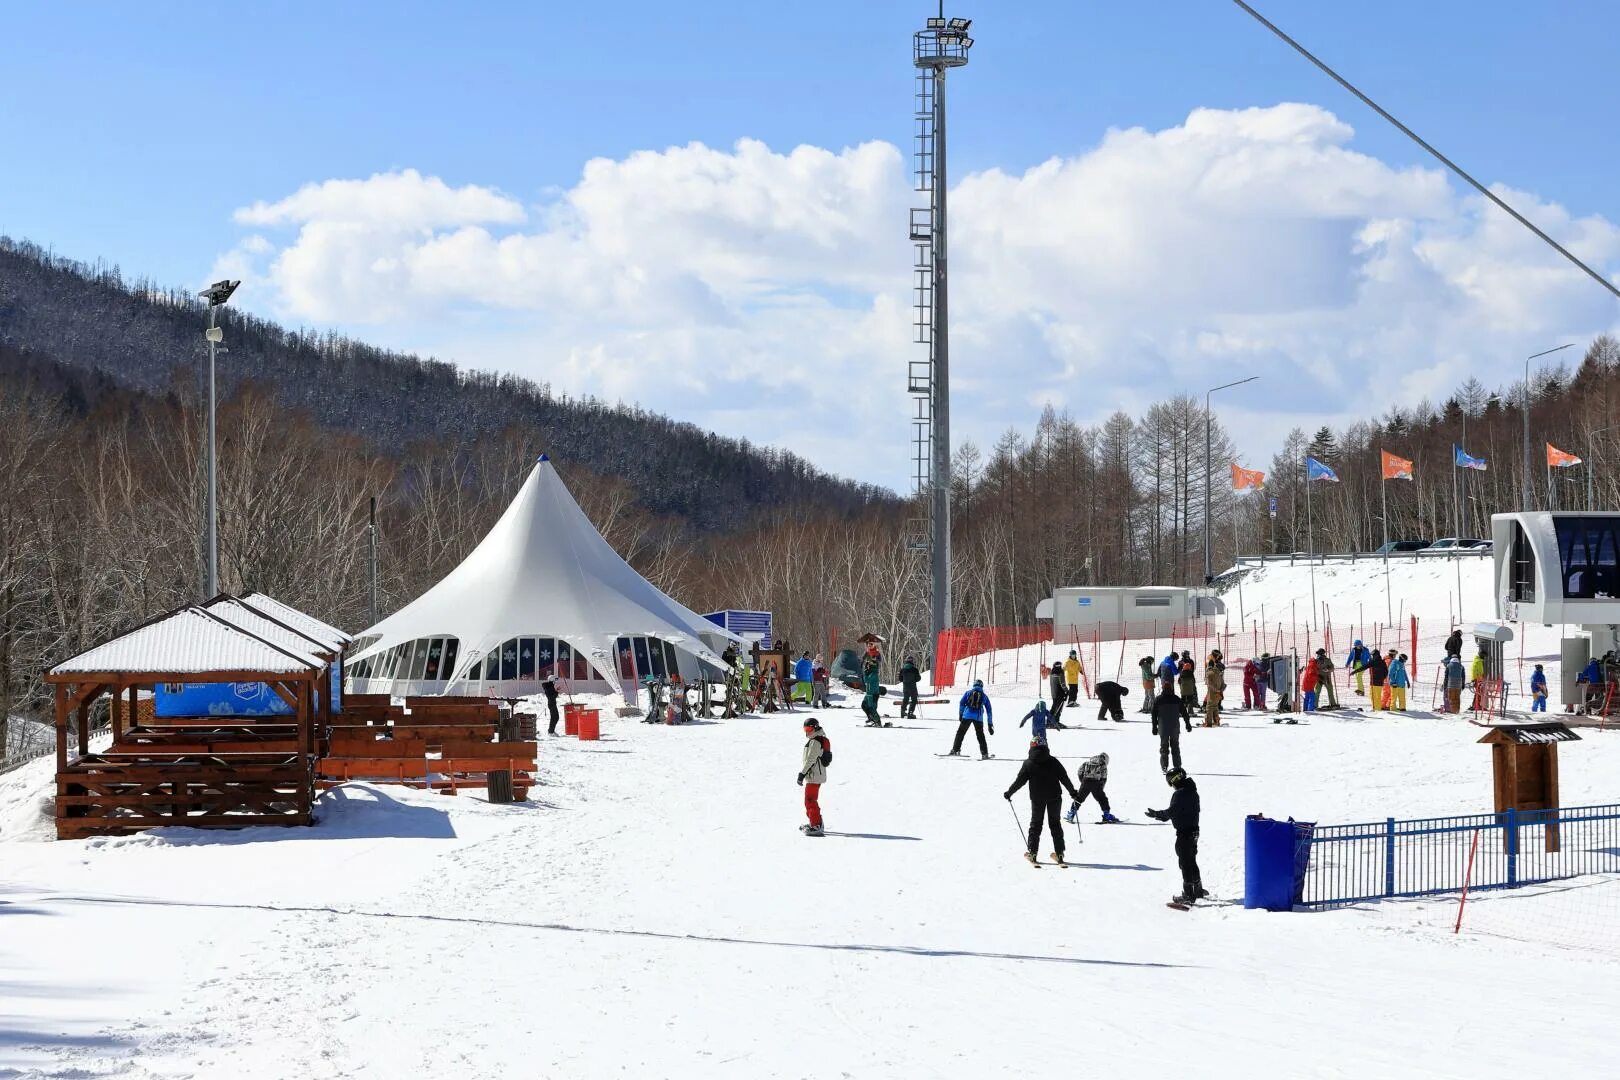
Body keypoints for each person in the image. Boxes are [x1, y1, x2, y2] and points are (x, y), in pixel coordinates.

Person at [1004, 738, 1081, 865]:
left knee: (1036, 825)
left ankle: (1033, 854)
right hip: (1055, 797)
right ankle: (1060, 854)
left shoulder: (1028, 763)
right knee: (1055, 824)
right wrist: (1072, 792)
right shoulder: (1053, 761)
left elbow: (1020, 781)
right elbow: (1064, 777)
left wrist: (1009, 792)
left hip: (1037, 798)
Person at [1146, 767, 1204, 905]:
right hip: (1194, 831)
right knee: (1191, 860)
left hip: (1185, 833)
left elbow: (1172, 812)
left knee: (1185, 863)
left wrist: (1157, 814)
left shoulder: (1180, 794)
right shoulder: (1193, 791)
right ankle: (1198, 889)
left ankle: (1189, 895)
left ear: (1175, 780)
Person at [796, 718, 830, 836]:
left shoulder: (815, 741)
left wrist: (802, 774)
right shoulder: (817, 739)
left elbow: (810, 760)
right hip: (816, 775)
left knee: (810, 800)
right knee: (811, 800)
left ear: (815, 728)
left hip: (814, 775)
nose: (807, 732)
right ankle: (816, 822)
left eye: (809, 729)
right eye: (805, 729)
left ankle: (816, 825)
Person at [1065, 751, 1119, 824]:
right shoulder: (1103, 765)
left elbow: (1079, 772)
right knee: (1102, 799)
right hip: (1096, 783)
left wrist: (1083, 782)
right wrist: (1100, 788)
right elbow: (1103, 778)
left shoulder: (1087, 763)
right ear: (1105, 759)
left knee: (1079, 798)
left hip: (1085, 781)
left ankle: (1071, 814)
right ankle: (1106, 815)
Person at [949, 679, 993, 758]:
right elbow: (989, 710)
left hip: (967, 716)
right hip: (978, 718)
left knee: (960, 733)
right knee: (980, 735)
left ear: (974, 685)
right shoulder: (984, 696)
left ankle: (955, 750)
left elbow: (962, 703)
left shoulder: (968, 693)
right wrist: (990, 724)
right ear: (982, 686)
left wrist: (961, 714)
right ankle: (984, 754)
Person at [1152, 674, 1184, 773]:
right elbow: (1184, 712)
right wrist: (1187, 723)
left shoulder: (1158, 699)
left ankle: (1164, 766)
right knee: (1175, 746)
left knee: (1164, 747)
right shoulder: (1176, 699)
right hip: (1175, 727)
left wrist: (1154, 727)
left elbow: (1153, 714)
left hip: (1163, 728)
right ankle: (1177, 766)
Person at [861, 645, 883, 727]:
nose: (866, 668)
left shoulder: (873, 674)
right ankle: (871, 718)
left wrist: (865, 673)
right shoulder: (868, 653)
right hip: (869, 692)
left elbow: (867, 680)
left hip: (872, 693)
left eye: (867, 666)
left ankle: (877, 721)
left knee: (871, 708)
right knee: (864, 705)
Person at [1203, 651, 1226, 727]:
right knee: (1215, 706)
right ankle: (1216, 721)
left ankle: (1208, 722)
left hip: (1212, 692)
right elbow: (1224, 684)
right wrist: (1220, 690)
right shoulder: (1220, 674)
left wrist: (1216, 690)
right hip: (1218, 691)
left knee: (1209, 706)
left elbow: (1208, 683)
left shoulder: (1211, 673)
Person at [1177, 652, 1198, 725]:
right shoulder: (1191, 672)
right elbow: (1193, 681)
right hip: (1190, 689)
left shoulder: (1181, 672)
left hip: (1183, 688)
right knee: (1190, 699)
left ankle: (1180, 711)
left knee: (1182, 699)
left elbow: (1179, 681)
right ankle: (1190, 711)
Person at [1367, 647, 1388, 713]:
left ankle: (1376, 709)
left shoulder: (1378, 662)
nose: (1372, 656)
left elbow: (1385, 671)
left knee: (1375, 696)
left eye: (1373, 655)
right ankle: (1376, 708)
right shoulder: (1379, 662)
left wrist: (1382, 677)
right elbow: (1386, 671)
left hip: (1376, 682)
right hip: (1376, 682)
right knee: (1374, 695)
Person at [1048, 661, 1069, 727]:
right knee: (1058, 708)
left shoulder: (1052, 672)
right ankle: (1055, 721)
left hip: (1054, 693)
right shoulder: (1060, 673)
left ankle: (1049, 721)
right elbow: (1062, 684)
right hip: (1059, 693)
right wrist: (1067, 691)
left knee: (1054, 707)